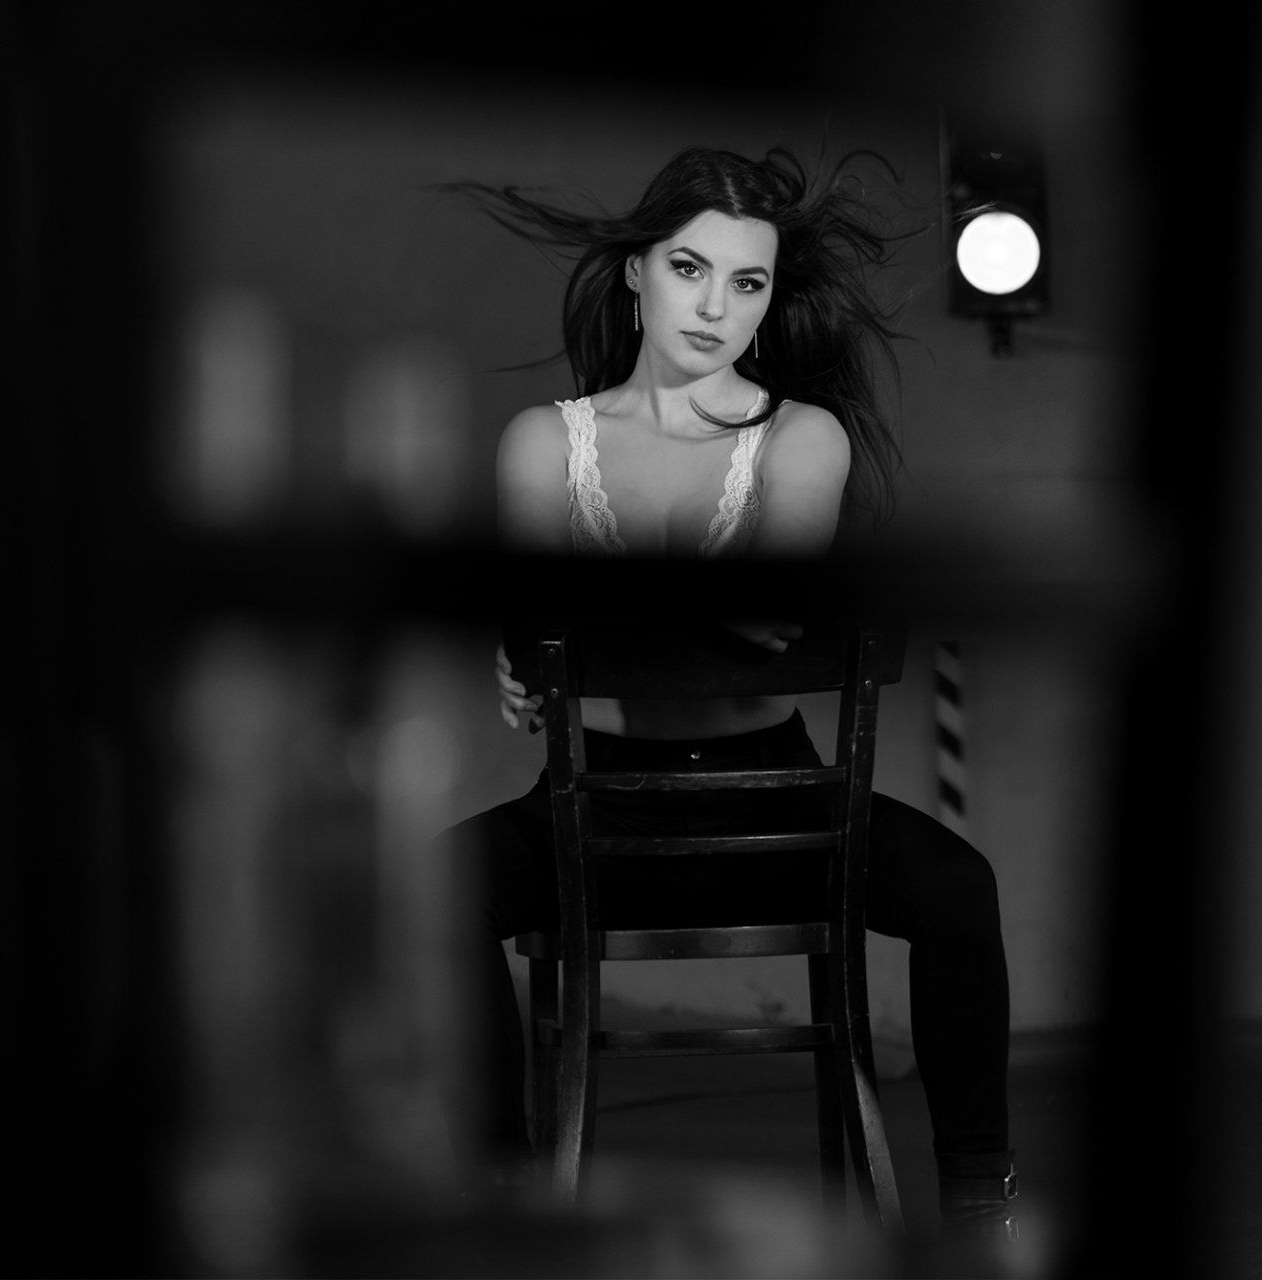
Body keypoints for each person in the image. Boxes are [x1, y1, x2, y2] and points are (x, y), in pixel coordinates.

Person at [436, 146, 1018, 1240]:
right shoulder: (544, 442)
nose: (714, 307)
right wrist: (550, 634)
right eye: (689, 268)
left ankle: (982, 1205)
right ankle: (506, 1205)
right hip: (598, 815)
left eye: (746, 282)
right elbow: (542, 626)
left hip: (783, 811)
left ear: (768, 299)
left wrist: (574, 625)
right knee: (437, 887)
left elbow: (763, 616)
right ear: (636, 272)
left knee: (957, 885)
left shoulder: (802, 437)